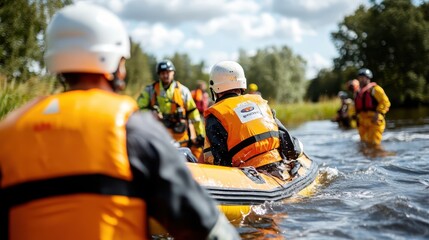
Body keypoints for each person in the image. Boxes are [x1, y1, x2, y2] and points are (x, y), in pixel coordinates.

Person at [0, 3, 239, 240]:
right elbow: (204, 226)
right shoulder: (133, 129)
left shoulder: (9, 132)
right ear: (111, 63)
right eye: (122, 62)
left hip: (181, 138)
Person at [202, 61, 303, 180]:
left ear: (214, 89)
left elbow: (221, 164)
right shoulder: (261, 103)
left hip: (248, 176)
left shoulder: (215, 116)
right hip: (279, 167)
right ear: (242, 84)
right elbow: (289, 146)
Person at [137, 60, 205, 159]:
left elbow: (194, 114)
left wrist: (200, 134)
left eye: (168, 72)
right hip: (157, 136)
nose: (166, 75)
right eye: (163, 73)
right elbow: (139, 108)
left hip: (181, 139)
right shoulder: (150, 90)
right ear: (159, 75)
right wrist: (151, 113)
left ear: (173, 73)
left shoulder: (183, 91)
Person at [354, 68, 391, 145]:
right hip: (362, 122)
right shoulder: (357, 92)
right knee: (363, 144)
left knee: (374, 144)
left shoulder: (375, 89)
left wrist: (378, 114)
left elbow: (385, 102)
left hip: (374, 120)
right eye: (359, 78)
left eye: (363, 78)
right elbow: (356, 108)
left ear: (368, 78)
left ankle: (377, 155)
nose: (361, 80)